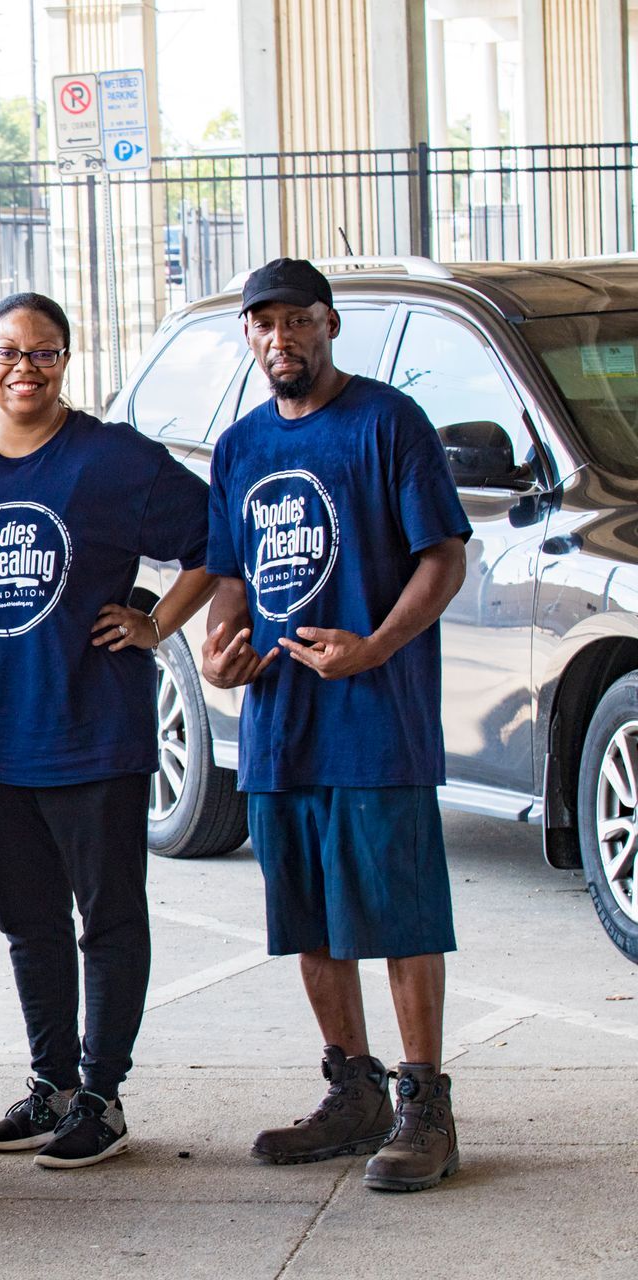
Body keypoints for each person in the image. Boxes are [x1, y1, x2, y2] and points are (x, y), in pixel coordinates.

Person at [0, 292, 215, 1169]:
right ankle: (50, 1085)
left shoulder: (113, 460)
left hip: (93, 731)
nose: (23, 370)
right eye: (7, 352)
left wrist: (158, 622)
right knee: (28, 922)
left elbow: (216, 536)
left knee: (109, 919)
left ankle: (103, 1095)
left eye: (43, 354)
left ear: (66, 361)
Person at [201, 258, 470, 1193]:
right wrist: (215, 649)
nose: (282, 340)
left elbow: (443, 559)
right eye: (264, 325)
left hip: (374, 719)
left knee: (398, 914)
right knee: (309, 918)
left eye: (300, 322)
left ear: (330, 326)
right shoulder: (238, 447)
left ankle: (424, 1107)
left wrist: (376, 647)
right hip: (280, 724)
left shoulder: (388, 422)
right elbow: (230, 576)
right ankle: (351, 1091)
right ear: (249, 338)